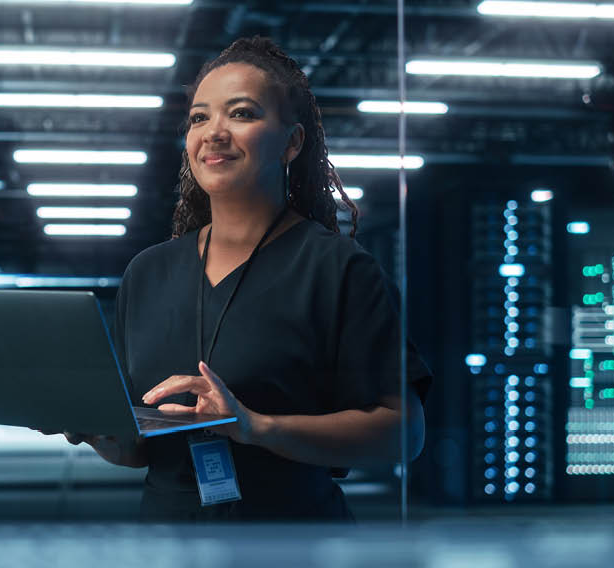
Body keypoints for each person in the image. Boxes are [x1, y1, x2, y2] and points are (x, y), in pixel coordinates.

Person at [51, 36, 431, 522]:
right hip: (167, 542)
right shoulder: (149, 272)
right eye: (199, 117)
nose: (214, 132)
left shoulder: (337, 269)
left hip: (291, 541)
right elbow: (138, 451)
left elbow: (405, 434)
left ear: (292, 143)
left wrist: (256, 426)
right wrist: (94, 428)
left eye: (242, 113)